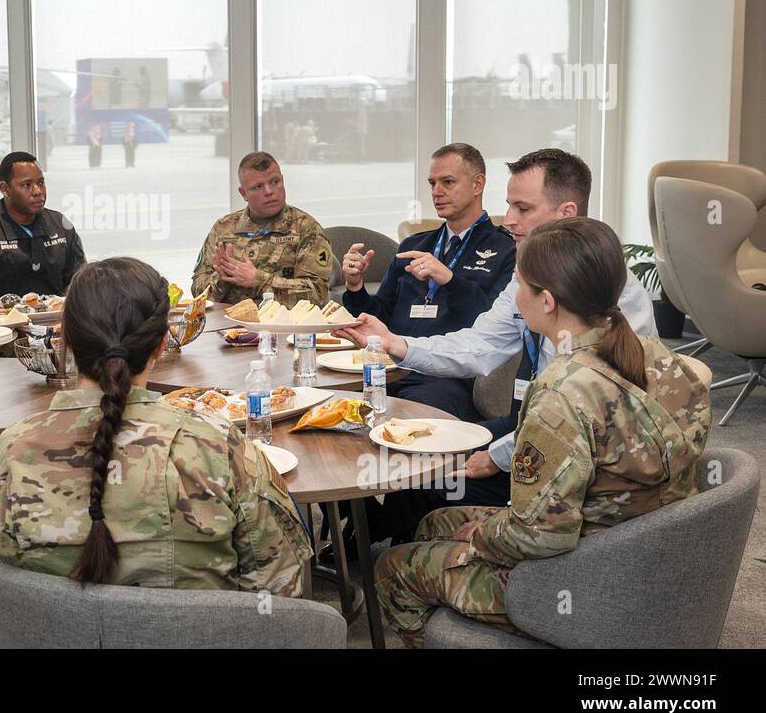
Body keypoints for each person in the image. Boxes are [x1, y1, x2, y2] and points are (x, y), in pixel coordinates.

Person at [374, 217, 711, 646]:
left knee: (392, 568)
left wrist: (480, 539)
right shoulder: (661, 358)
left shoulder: (560, 392)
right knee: (436, 522)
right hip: (651, 554)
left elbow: (539, 535)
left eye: (518, 285)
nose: (514, 297)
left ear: (547, 301)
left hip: (584, 578)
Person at [334, 149, 657, 540]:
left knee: (430, 481)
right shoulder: (525, 278)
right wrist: (393, 343)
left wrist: (499, 456)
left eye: (523, 208)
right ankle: (381, 548)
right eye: (509, 206)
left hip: (581, 456)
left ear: (566, 213)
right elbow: (477, 346)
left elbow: (583, 423)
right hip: (532, 423)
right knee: (424, 453)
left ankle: (403, 565)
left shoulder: (614, 291)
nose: (511, 221)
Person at [0, 257, 312, 594]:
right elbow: (280, 586)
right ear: (161, 344)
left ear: (64, 343)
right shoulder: (217, 444)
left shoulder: (15, 448)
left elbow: (11, 572)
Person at [342, 143, 515, 421]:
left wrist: (450, 281)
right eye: (432, 183)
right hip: (390, 368)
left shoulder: (505, 249)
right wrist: (355, 286)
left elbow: (494, 325)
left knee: (401, 420)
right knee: (336, 410)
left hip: (446, 378)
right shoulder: (414, 245)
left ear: (477, 184)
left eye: (448, 182)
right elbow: (379, 317)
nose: (436, 192)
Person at [191, 151, 333, 306]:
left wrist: (258, 280)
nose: (269, 191)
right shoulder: (223, 229)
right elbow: (198, 294)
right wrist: (222, 279)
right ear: (244, 193)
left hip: (283, 327)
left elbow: (317, 296)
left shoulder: (306, 228)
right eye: (258, 186)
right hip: (228, 326)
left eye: (274, 182)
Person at [0, 151, 86, 303]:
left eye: (41, 182)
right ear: (5, 189)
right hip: (2, 326)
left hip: (55, 324)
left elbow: (81, 286)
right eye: (26, 185)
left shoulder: (60, 226)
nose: (38, 192)